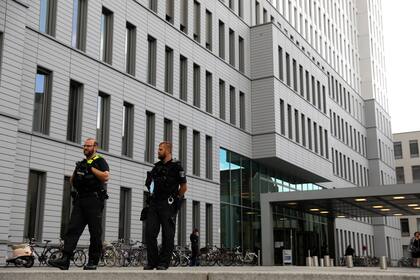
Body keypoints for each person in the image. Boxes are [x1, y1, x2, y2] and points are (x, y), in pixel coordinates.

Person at [49, 138, 110, 270]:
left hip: (94, 200)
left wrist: (91, 169)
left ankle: (93, 261)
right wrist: (79, 171)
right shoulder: (81, 163)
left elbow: (106, 177)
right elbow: (72, 181)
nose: (86, 148)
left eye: (89, 146)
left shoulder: (100, 161)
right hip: (80, 199)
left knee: (95, 232)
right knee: (73, 229)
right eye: (85, 146)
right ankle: (65, 259)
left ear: (95, 147)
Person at [144, 142, 188, 270]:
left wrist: (175, 199)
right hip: (154, 203)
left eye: (160, 149)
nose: (158, 151)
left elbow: (184, 187)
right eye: (158, 149)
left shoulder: (177, 167)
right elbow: (150, 184)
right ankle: (152, 262)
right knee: (149, 232)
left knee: (167, 234)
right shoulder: (156, 167)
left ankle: (163, 263)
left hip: (168, 204)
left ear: (168, 151)